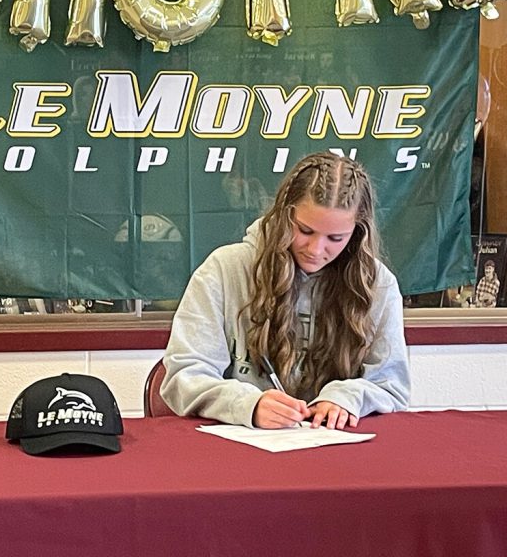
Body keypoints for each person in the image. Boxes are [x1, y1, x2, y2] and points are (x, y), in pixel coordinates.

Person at [160, 151, 410, 430]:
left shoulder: (377, 284)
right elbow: (183, 377)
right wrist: (247, 405)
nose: (316, 250)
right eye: (304, 230)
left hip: (333, 451)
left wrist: (347, 398)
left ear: (357, 231)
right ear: (283, 213)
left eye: (335, 238)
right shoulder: (224, 270)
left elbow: (393, 386)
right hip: (238, 449)